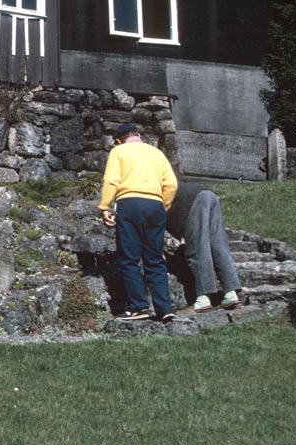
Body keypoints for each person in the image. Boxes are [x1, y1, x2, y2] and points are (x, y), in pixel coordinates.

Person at [99, 122, 178, 322]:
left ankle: (138, 307)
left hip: (130, 204)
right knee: (155, 258)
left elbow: (111, 181)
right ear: (138, 136)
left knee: (129, 257)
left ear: (119, 140)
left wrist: (105, 206)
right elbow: (171, 184)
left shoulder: (119, 152)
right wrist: (163, 206)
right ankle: (164, 308)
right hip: (156, 205)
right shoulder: (157, 154)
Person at [167, 183, 242, 312]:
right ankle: (231, 293)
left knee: (197, 247)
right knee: (218, 245)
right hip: (207, 193)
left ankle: (204, 298)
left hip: (190, 201)